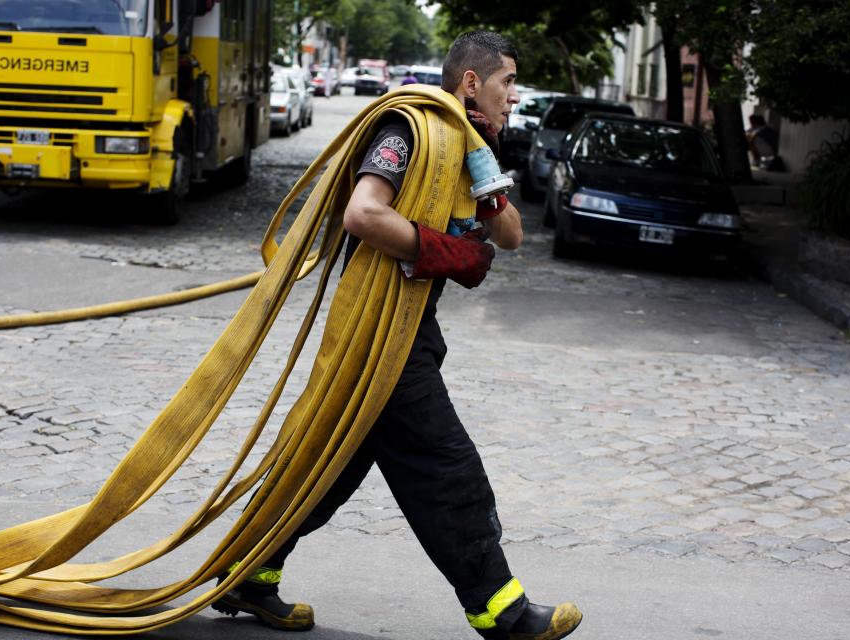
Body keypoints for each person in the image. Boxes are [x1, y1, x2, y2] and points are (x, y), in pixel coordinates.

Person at [213, 31, 583, 640]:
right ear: (471, 84)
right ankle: (503, 612)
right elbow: (363, 214)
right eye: (506, 83)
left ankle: (247, 570)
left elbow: (512, 236)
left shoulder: (466, 145)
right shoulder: (409, 128)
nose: (514, 97)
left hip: (410, 328)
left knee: (327, 471)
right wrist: (450, 252)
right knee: (448, 468)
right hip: (379, 334)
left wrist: (487, 177)